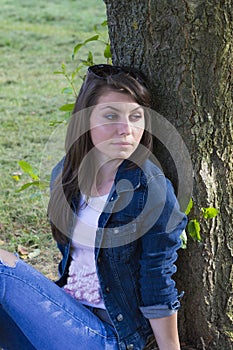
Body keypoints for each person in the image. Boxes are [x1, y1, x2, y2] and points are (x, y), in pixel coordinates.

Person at [0, 64, 187, 350]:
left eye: (136, 117)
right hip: (68, 315)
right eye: (111, 116)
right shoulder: (66, 175)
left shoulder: (151, 188)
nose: (126, 130)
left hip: (111, 336)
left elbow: (157, 280)